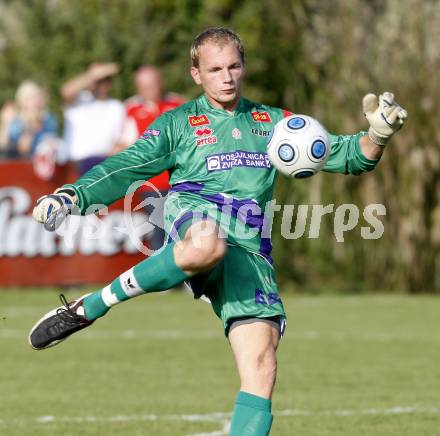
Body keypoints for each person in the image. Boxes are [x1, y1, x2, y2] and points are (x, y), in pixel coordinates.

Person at [28, 27, 407, 435]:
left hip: (249, 249)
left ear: (243, 68)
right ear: (196, 74)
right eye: (215, 69)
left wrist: (378, 134)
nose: (226, 77)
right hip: (195, 220)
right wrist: (71, 196)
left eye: (233, 67)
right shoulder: (178, 123)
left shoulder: (275, 125)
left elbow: (352, 156)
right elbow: (126, 167)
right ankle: (93, 306)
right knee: (207, 243)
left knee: (261, 367)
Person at [116, 65, 186, 249]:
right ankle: (161, 275)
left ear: (161, 83)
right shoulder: (132, 109)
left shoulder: (177, 104)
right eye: (144, 86)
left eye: (153, 84)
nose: (149, 90)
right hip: (152, 183)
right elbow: (124, 144)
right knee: (162, 226)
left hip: (181, 180)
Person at [60, 62, 125, 174]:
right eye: (97, 80)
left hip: (104, 165)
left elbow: (120, 140)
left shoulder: (117, 107)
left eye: (105, 80)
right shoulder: (80, 100)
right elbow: (66, 91)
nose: (101, 84)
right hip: (76, 166)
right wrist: (97, 73)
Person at [0, 81, 58, 159]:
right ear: (23, 101)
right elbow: (7, 147)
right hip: (19, 165)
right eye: (32, 98)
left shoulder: (49, 119)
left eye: (39, 98)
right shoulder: (15, 122)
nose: (37, 102)